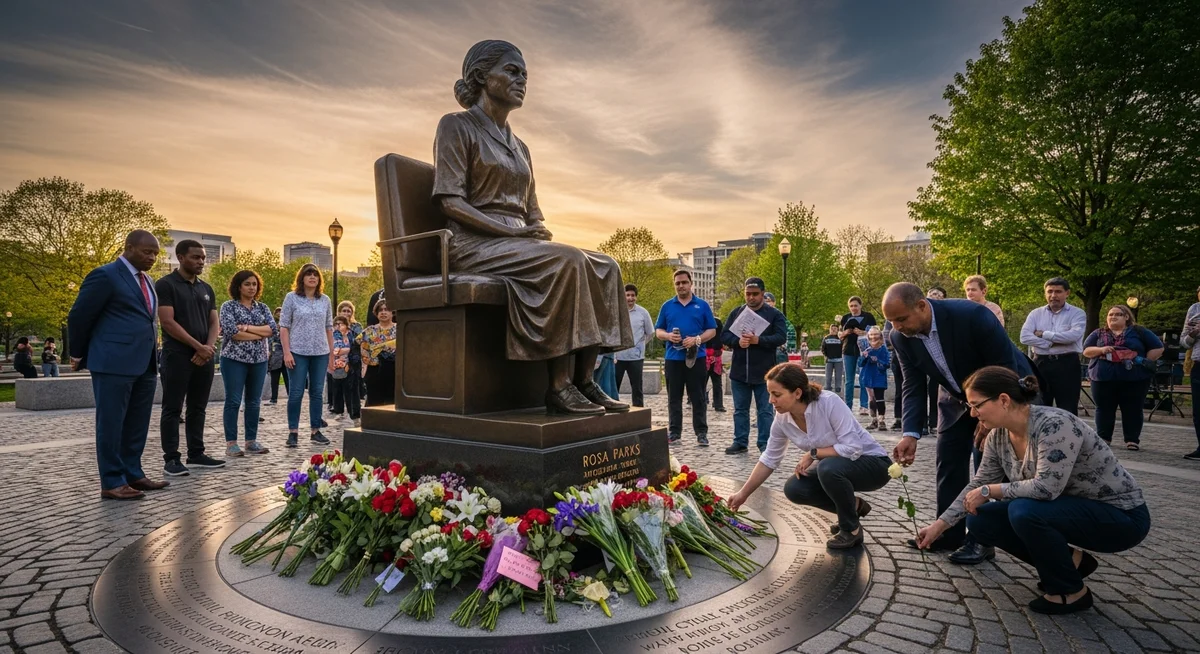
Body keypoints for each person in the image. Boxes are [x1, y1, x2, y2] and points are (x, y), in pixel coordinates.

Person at [433, 40, 632, 415]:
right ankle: (558, 386)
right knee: (569, 260)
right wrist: (511, 233)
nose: (522, 79)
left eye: (525, 73)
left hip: (517, 243)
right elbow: (450, 202)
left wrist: (535, 232)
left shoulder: (520, 146)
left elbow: (534, 212)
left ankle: (585, 381)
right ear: (480, 76)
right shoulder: (456, 126)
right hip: (472, 244)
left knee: (606, 266)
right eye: (511, 70)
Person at [916, 367, 1149, 615]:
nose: (972, 413)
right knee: (981, 520)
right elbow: (978, 485)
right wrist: (939, 526)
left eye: (976, 405)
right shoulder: (998, 436)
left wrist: (989, 490)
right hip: (1069, 510)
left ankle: (1070, 592)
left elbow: (1046, 488)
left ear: (1003, 400)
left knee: (1024, 510)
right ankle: (1071, 563)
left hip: (1121, 518)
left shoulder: (1055, 425)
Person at [884, 281, 1038, 565]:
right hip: (955, 399)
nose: (897, 326)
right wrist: (910, 433)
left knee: (988, 465)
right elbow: (913, 386)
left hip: (1003, 392)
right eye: (891, 321)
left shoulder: (973, 316)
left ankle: (981, 539)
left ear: (921, 306)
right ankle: (948, 533)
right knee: (949, 461)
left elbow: (1004, 366)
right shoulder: (899, 337)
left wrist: (990, 417)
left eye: (902, 319)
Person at [727, 363, 892, 549]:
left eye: (777, 394)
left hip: (874, 465)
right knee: (795, 488)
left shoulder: (829, 403)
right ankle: (852, 507)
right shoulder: (782, 419)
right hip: (836, 466)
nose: (770, 400)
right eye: (770, 393)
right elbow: (769, 459)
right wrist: (743, 494)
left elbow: (853, 448)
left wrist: (814, 453)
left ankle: (851, 529)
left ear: (797, 393)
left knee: (827, 467)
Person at [67, 230, 170, 500]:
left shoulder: (147, 280)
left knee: (137, 424)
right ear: (129, 247)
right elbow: (79, 315)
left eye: (155, 254)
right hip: (113, 362)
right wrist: (77, 352)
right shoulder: (104, 275)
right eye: (147, 252)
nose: (152, 258)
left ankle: (132, 474)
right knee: (112, 423)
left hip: (145, 363)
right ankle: (112, 481)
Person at [156, 239, 223, 477]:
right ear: (181, 257)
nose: (201, 262)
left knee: (198, 407)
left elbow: (214, 321)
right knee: (172, 408)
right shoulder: (166, 285)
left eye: (203, 258)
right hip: (177, 356)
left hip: (203, 357)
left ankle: (196, 453)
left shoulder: (206, 288)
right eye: (196, 257)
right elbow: (167, 322)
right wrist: (197, 347)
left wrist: (208, 347)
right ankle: (171, 459)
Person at [721, 278, 789, 454]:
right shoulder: (736, 312)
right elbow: (724, 336)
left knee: (765, 410)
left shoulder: (774, 314)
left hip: (764, 372)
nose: (751, 298)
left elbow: (781, 337)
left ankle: (764, 443)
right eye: (747, 294)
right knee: (740, 410)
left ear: (762, 293)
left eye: (755, 294)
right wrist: (738, 342)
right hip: (739, 370)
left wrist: (759, 340)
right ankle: (740, 441)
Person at [1082, 305, 1163, 450]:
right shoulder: (1099, 333)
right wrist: (1101, 349)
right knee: (1104, 408)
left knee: (1133, 408)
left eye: (1118, 314)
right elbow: (1086, 350)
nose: (1113, 317)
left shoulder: (1139, 331)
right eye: (1110, 314)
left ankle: (1132, 440)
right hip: (1103, 377)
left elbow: (1158, 347)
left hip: (1134, 377)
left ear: (1126, 317)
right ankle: (1103, 438)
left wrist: (1144, 361)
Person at [218, 269, 277, 457]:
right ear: (238, 286)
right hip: (234, 359)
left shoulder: (263, 308)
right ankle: (231, 444)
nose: (252, 288)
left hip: (259, 360)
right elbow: (231, 332)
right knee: (234, 400)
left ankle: (251, 441)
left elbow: (272, 330)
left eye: (254, 284)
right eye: (247, 284)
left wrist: (247, 328)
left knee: (254, 402)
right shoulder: (229, 307)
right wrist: (258, 333)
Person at [656, 269, 718, 447]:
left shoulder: (702, 305)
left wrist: (697, 339)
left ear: (691, 283)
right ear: (674, 285)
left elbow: (712, 330)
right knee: (673, 398)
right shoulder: (667, 306)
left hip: (696, 357)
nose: (681, 286)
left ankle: (701, 433)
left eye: (684, 282)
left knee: (698, 397)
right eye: (677, 283)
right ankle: (674, 432)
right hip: (673, 358)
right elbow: (658, 331)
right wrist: (668, 336)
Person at [280, 263, 334, 447]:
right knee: (295, 393)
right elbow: (284, 326)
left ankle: (315, 430)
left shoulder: (325, 300)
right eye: (308, 274)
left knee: (317, 392)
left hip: (320, 352)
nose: (312, 277)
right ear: (301, 278)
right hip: (298, 351)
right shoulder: (292, 298)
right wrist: (287, 352)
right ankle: (293, 432)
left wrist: (331, 356)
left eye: (315, 274)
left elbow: (329, 328)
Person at [1020, 277, 1086, 415]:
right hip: (1041, 363)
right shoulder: (1036, 314)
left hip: (1067, 363)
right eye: (1049, 291)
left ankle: (1068, 436)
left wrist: (1044, 334)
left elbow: (1073, 336)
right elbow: (1024, 337)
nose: (1053, 295)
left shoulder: (1077, 314)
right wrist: (1049, 343)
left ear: (1067, 293)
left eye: (1058, 291)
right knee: (1039, 405)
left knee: (1068, 407)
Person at [614, 284, 655, 407]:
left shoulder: (643, 313)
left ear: (636, 297)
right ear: (623, 296)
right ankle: (613, 414)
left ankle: (638, 412)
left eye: (633, 295)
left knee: (637, 388)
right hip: (618, 358)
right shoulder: (617, 312)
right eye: (627, 295)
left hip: (636, 358)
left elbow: (650, 333)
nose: (630, 298)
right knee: (614, 387)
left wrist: (639, 346)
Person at [839, 296, 877, 410]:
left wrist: (864, 332)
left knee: (863, 378)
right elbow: (840, 335)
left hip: (864, 350)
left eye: (855, 305)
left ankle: (864, 405)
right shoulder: (845, 317)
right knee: (849, 380)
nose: (853, 308)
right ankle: (848, 405)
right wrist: (845, 332)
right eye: (851, 306)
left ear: (860, 305)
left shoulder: (868, 316)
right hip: (848, 350)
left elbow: (875, 332)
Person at [358, 299, 397, 407]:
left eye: (386, 309)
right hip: (374, 370)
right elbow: (360, 347)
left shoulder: (399, 329)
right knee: (374, 403)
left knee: (392, 402)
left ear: (392, 312)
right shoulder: (369, 331)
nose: (383, 312)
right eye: (380, 310)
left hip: (394, 370)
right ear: (376, 313)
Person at [333, 301, 364, 426]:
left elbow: (359, 341)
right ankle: (338, 410)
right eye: (344, 310)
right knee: (338, 386)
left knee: (353, 388)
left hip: (353, 360)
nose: (346, 313)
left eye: (348, 311)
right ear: (339, 312)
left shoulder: (356, 326)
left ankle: (355, 414)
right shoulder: (335, 326)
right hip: (338, 361)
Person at [1182, 287, 1200, 461]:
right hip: (1198, 363)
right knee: (1198, 410)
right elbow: (1184, 342)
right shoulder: (1194, 309)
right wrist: (1193, 334)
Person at [861, 327, 890, 431]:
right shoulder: (867, 350)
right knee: (871, 398)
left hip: (879, 376)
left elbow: (887, 363)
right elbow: (860, 363)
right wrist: (864, 357)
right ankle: (874, 419)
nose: (873, 337)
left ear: (880, 336)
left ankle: (881, 419)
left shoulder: (883, 349)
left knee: (880, 398)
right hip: (868, 376)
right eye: (871, 335)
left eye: (876, 334)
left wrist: (877, 361)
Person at [764, 292, 795, 365]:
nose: (766, 303)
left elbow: (790, 330)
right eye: (764, 301)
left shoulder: (778, 315)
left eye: (768, 301)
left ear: (774, 303)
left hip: (777, 349)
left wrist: (788, 346)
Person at [883, 319, 903, 430]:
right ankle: (898, 418)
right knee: (899, 390)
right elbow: (886, 337)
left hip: (913, 356)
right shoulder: (890, 318)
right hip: (898, 356)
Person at [267, 307, 289, 404]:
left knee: (288, 378)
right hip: (275, 356)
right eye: (277, 314)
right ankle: (273, 398)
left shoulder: (288, 327)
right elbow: (269, 341)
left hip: (286, 355)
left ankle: (291, 397)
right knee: (274, 379)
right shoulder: (272, 327)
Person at [704, 318, 726, 412]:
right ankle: (717, 404)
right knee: (705, 382)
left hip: (714, 355)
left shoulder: (716, 322)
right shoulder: (705, 321)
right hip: (705, 355)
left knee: (715, 382)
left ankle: (717, 404)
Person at [821, 324, 843, 393]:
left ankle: (838, 387)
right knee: (828, 375)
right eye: (832, 328)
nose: (833, 330)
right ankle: (827, 387)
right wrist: (825, 355)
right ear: (830, 329)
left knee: (838, 376)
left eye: (835, 328)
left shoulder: (840, 338)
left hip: (839, 360)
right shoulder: (826, 338)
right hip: (829, 359)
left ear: (837, 330)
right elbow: (823, 348)